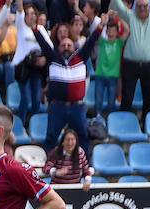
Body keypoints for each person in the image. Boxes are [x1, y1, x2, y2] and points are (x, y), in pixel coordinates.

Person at [32, 12, 106, 155]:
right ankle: (49, 165)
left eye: (69, 45)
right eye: (63, 45)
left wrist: (101, 25)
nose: (66, 47)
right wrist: (35, 27)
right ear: (58, 47)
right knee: (51, 138)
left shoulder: (81, 57)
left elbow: (92, 41)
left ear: (74, 47)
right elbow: (42, 42)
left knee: (83, 137)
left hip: (77, 107)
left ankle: (85, 169)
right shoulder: (53, 58)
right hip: (57, 106)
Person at [13, 0, 53, 123]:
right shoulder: (21, 26)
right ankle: (20, 124)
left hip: (37, 68)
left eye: (33, 13)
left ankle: (33, 124)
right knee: (25, 98)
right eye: (28, 13)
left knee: (36, 99)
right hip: (23, 67)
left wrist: (44, 58)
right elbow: (19, 9)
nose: (31, 16)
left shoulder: (41, 29)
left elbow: (50, 48)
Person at [94, 18, 125, 119]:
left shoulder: (119, 43)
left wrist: (119, 16)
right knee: (98, 102)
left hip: (113, 77)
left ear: (117, 32)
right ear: (106, 32)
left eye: (114, 30)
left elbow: (128, 30)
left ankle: (110, 122)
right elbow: (96, 32)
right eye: (109, 30)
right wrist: (104, 21)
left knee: (111, 103)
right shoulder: (102, 42)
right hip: (100, 75)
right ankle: (98, 121)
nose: (111, 32)